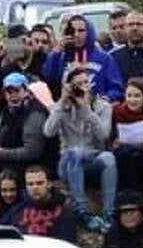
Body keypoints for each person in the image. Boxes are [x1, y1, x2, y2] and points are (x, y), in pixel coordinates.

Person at [45, 68, 115, 231]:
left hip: (91, 159)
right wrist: (62, 102)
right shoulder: (61, 106)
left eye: (85, 82)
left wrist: (87, 110)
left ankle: (109, 212)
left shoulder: (103, 106)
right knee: (75, 151)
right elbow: (48, 132)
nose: (83, 87)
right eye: (77, 84)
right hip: (68, 161)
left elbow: (103, 135)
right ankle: (81, 209)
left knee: (109, 158)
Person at [42, 14, 124, 102]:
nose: (76, 34)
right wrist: (56, 53)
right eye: (73, 31)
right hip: (68, 107)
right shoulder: (61, 57)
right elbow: (48, 79)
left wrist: (106, 98)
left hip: (96, 106)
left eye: (81, 31)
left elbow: (117, 89)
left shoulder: (105, 58)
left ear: (89, 32)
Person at [3, 165, 75, 242]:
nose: (35, 187)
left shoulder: (62, 212)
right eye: (30, 184)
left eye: (39, 183)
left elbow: (66, 243)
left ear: (49, 184)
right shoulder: (16, 210)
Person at [111, 11, 143, 82]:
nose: (134, 28)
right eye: (130, 24)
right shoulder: (113, 57)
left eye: (139, 24)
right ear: (125, 28)